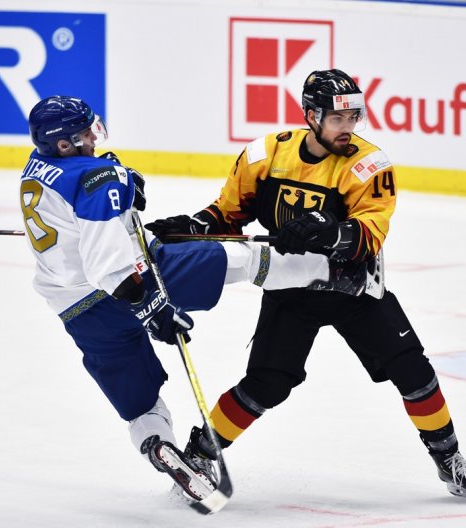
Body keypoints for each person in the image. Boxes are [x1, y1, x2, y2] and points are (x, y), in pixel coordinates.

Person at [145, 69, 466, 502]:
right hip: (292, 290)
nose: (348, 128)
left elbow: (369, 234)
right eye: (338, 119)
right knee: (266, 385)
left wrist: (327, 230)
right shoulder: (265, 154)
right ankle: (201, 452)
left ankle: (450, 460)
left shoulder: (369, 164)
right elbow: (228, 214)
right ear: (311, 116)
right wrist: (194, 226)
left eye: (354, 118)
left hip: (354, 290)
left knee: (414, 372)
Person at [20, 95, 345, 504]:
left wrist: (121, 184)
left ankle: (158, 445)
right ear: (64, 144)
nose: (92, 136)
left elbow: (74, 221)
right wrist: (152, 309)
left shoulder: (38, 168)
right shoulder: (94, 179)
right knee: (238, 255)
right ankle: (334, 273)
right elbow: (108, 263)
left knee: (141, 404)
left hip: (78, 312)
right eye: (83, 133)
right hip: (132, 284)